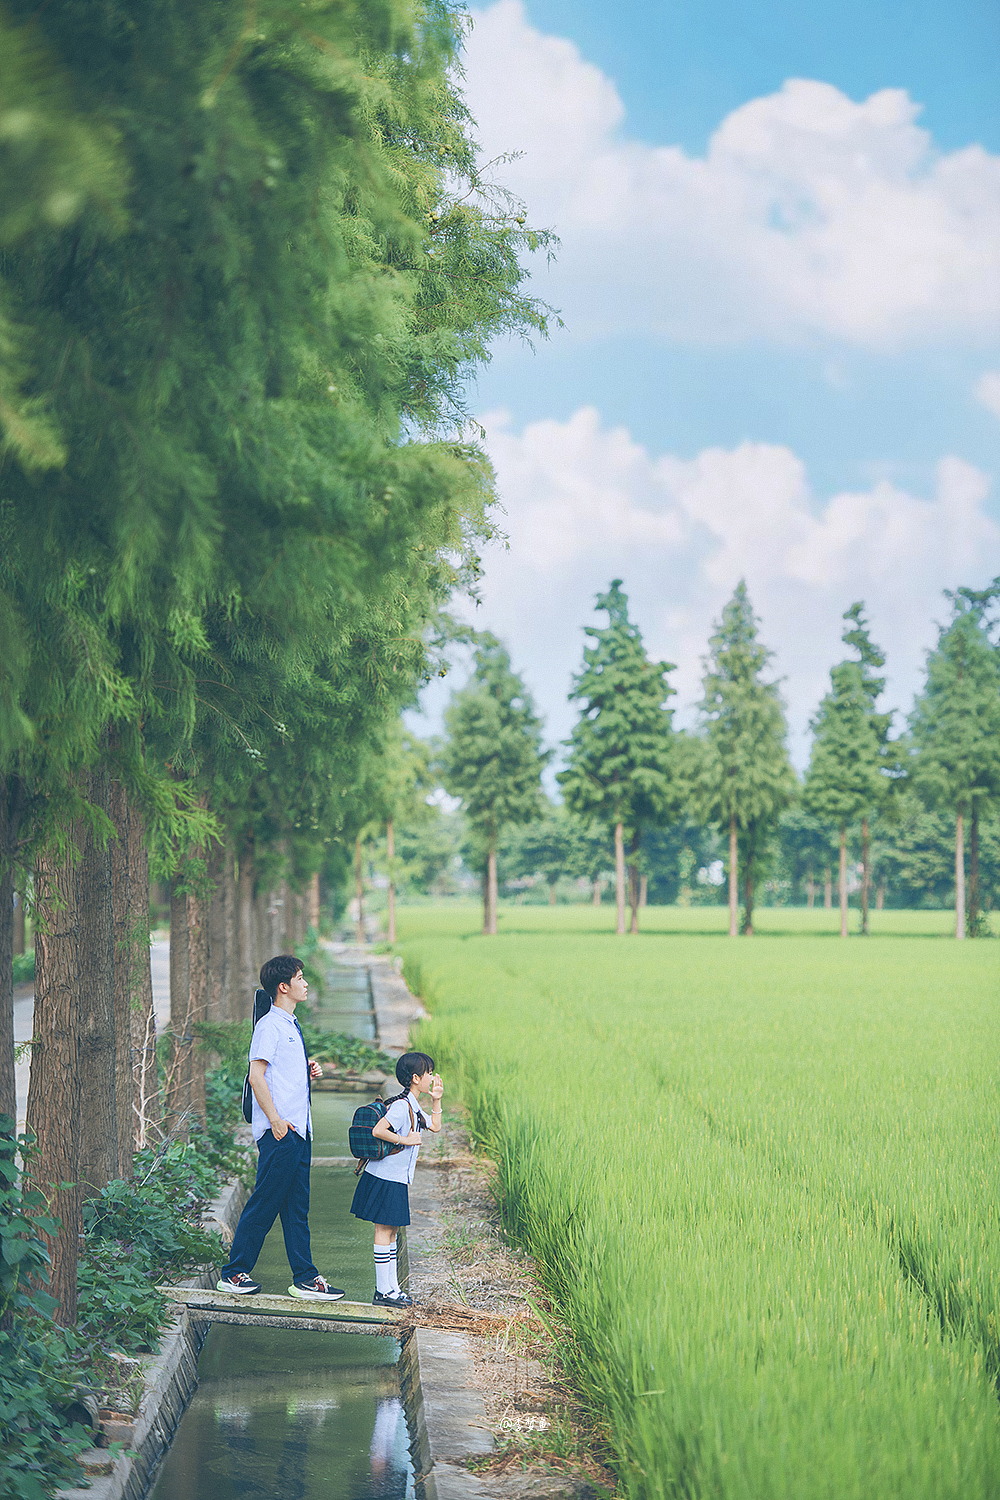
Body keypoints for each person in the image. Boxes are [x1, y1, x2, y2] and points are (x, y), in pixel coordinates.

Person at [218, 954, 345, 1301]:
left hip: (299, 1131)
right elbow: (256, 1075)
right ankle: (234, 1274)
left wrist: (305, 1070)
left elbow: (279, 1074)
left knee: (295, 1209)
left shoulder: (290, 1025)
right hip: (281, 1132)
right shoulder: (269, 1025)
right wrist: (274, 1120)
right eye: (300, 978)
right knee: (266, 1202)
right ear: (283, 987)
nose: (305, 983)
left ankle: (305, 1278)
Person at [350, 1050, 443, 1306]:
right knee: (384, 1229)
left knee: (391, 1231)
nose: (432, 1077)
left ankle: (391, 1289)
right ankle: (383, 1292)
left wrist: (436, 1101)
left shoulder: (413, 1106)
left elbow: (435, 1126)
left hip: (396, 1178)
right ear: (415, 1078)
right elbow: (378, 1130)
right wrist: (404, 1139)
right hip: (384, 1177)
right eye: (429, 1073)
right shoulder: (402, 1107)